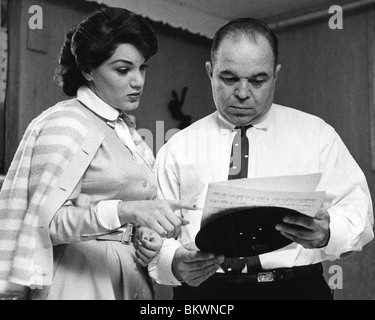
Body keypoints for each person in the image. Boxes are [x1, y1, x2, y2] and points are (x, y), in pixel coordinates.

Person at [150, 18, 374, 300]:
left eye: (258, 80)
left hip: (297, 291)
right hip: (206, 295)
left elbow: (359, 215)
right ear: (210, 72)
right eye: (228, 78)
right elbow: (152, 236)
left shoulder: (317, 135)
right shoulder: (176, 148)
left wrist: (329, 233)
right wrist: (173, 263)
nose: (242, 93)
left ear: (276, 75)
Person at [0, 7, 195, 300]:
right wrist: (124, 211)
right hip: (78, 280)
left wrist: (146, 235)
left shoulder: (125, 130)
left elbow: (132, 209)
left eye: (142, 68)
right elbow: (44, 221)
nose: (138, 81)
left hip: (131, 276)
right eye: (123, 69)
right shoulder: (65, 123)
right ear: (89, 70)